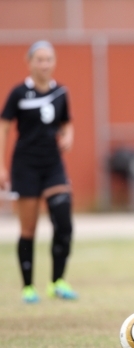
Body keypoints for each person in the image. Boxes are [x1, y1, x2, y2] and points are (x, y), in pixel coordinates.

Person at [0, 40, 78, 303]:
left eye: (49, 59)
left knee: (64, 221)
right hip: (26, 166)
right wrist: (1, 166)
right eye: (39, 59)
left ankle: (57, 281)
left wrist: (68, 136)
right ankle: (28, 287)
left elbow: (67, 123)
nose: (44, 64)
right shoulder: (19, 93)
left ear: (54, 62)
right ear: (29, 62)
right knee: (29, 228)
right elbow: (4, 128)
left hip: (53, 165)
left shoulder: (60, 93)